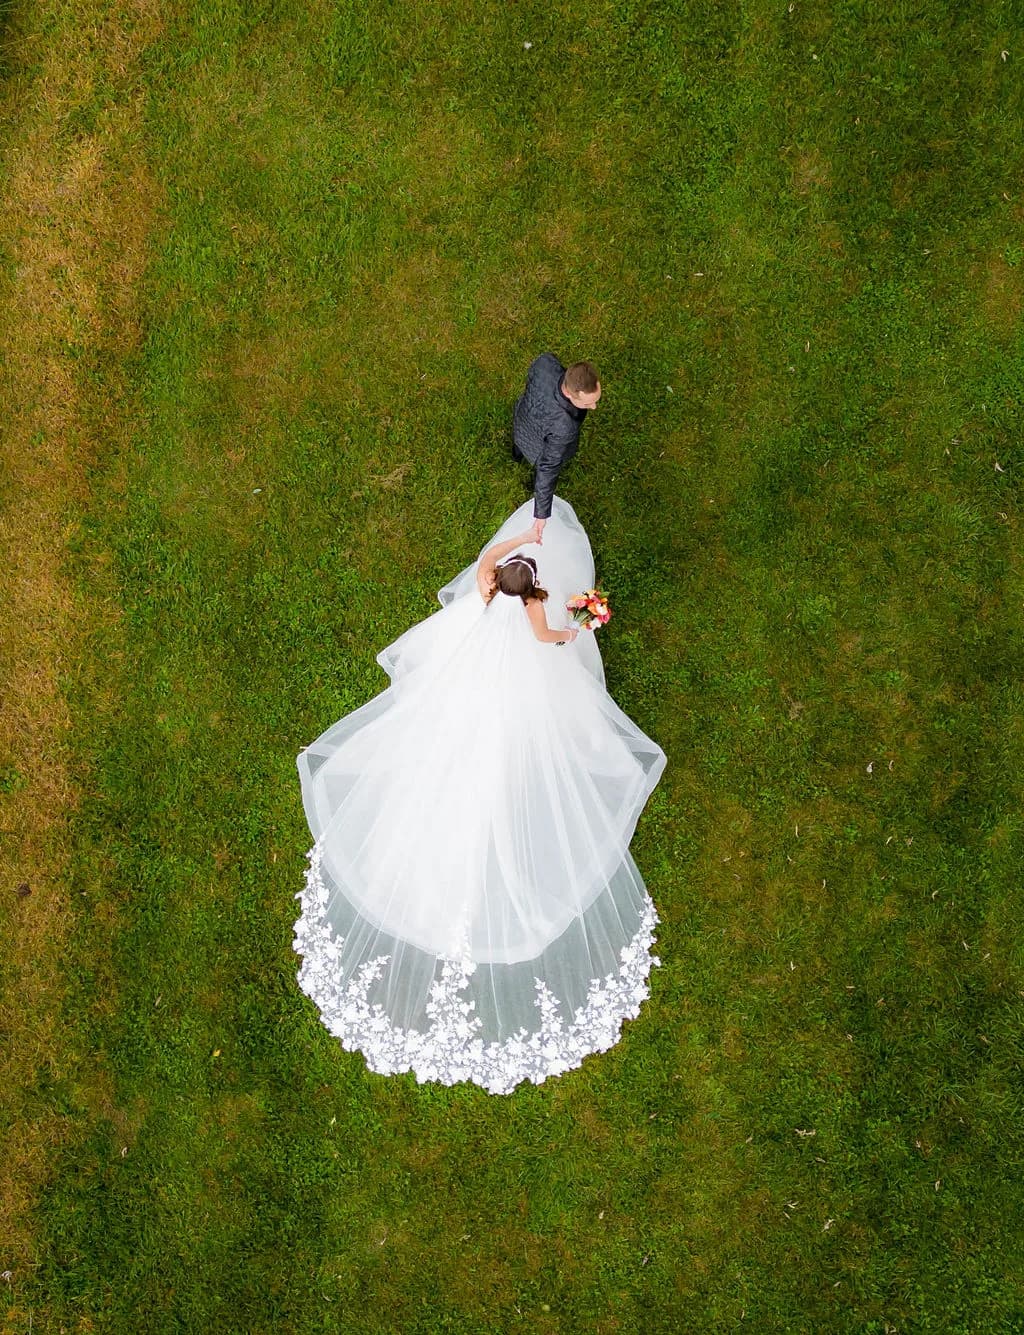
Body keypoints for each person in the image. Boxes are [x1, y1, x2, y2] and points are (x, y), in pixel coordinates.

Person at [295, 497, 664, 1095]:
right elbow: (547, 641)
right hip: (516, 687)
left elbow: (491, 556)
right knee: (519, 743)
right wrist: (579, 628)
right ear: (534, 588)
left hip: (472, 676)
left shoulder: (488, 584)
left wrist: (517, 545)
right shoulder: (534, 609)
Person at [513, 355, 601, 545]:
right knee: (539, 472)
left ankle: (516, 455)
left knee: (519, 445)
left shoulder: (545, 363)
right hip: (538, 447)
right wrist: (542, 513)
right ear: (569, 394)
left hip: (522, 418)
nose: (593, 407)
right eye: (587, 404)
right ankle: (530, 485)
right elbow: (548, 466)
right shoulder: (565, 427)